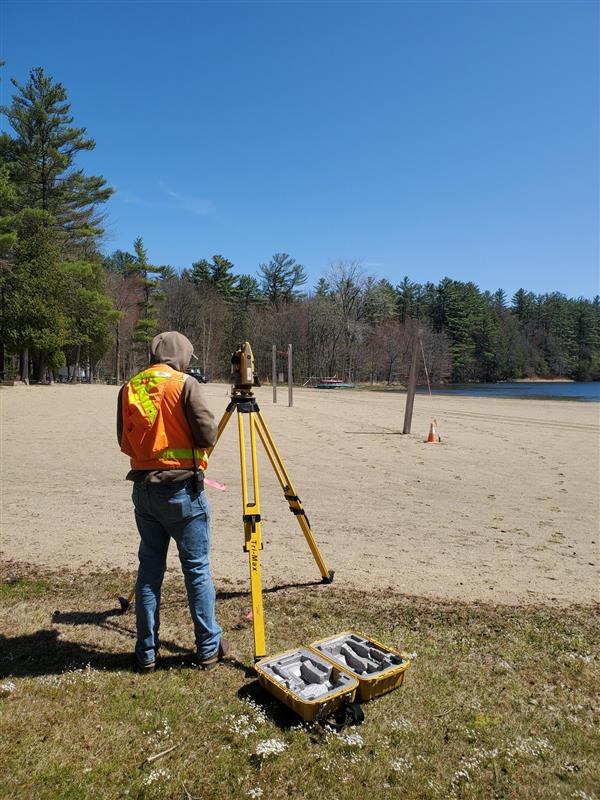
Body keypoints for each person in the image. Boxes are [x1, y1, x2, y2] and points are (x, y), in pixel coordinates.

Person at [117, 331, 228, 673]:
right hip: (182, 493)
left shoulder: (129, 387)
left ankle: (146, 653)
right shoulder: (186, 384)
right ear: (182, 355)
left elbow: (124, 440)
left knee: (150, 570)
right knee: (196, 569)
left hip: (144, 492)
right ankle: (208, 648)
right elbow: (208, 434)